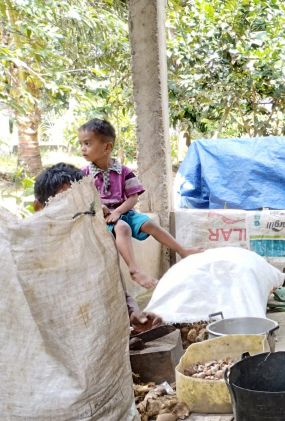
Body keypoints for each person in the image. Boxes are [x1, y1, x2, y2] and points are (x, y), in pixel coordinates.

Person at [33, 163, 163, 334]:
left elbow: (115, 291)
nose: (75, 213)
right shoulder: (30, 252)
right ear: (39, 208)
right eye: (65, 205)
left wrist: (133, 314)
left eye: (82, 204)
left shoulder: (95, 244)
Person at [78, 118, 202, 289]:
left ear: (107, 147)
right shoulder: (83, 175)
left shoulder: (123, 171)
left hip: (125, 212)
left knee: (150, 224)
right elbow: (82, 199)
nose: (83, 148)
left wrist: (118, 212)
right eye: (81, 144)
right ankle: (134, 269)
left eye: (87, 143)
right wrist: (100, 207)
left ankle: (182, 251)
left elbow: (133, 197)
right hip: (103, 217)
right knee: (122, 228)